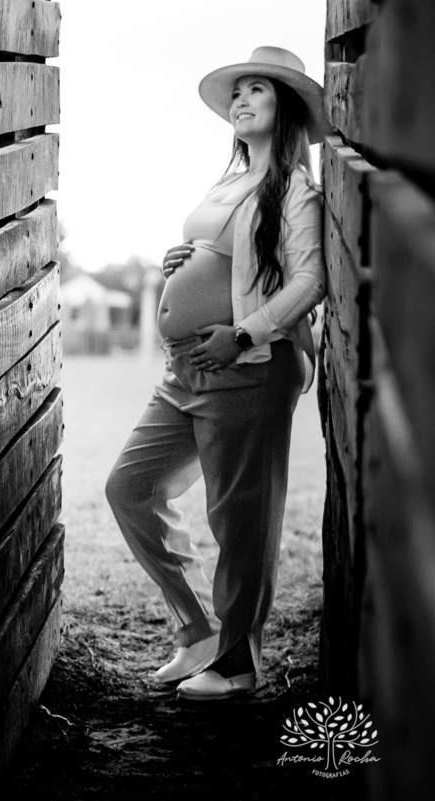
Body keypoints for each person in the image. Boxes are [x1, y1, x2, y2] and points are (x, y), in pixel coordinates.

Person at [104, 46, 329, 701]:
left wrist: (243, 332)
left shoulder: (294, 188)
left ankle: (236, 659)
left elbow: (311, 278)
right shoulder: (226, 180)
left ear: (282, 106)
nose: (241, 100)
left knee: (240, 517)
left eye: (256, 89)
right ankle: (197, 630)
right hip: (185, 371)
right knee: (129, 486)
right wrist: (181, 256)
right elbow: (221, 258)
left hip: (249, 365)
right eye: (236, 93)